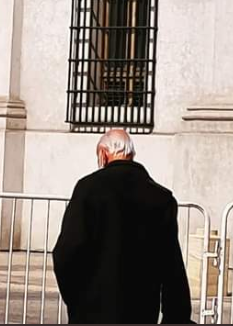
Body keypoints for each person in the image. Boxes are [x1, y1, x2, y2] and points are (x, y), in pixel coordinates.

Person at [53, 129, 194, 325]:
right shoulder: (161, 198)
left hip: (91, 311)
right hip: (141, 311)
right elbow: (171, 265)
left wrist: (77, 298)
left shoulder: (88, 189)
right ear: (132, 155)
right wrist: (176, 315)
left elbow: (66, 252)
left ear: (103, 154)